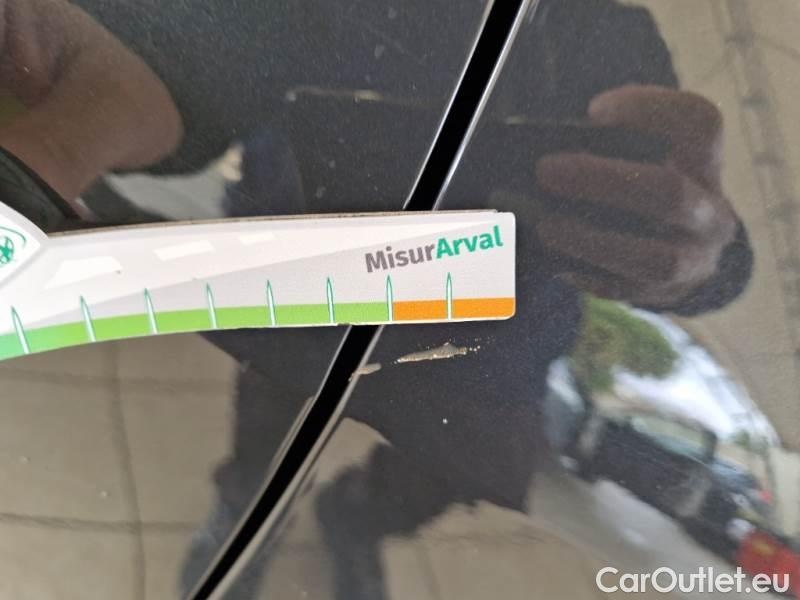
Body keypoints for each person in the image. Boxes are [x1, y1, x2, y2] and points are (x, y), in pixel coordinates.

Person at [0, 0, 753, 597]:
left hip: (493, 341)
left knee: (460, 474)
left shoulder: (608, 31)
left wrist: (709, 256)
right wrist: (126, 44)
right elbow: (203, 56)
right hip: (301, 292)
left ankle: (358, 517)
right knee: (268, 426)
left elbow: (680, 205)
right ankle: (241, 508)